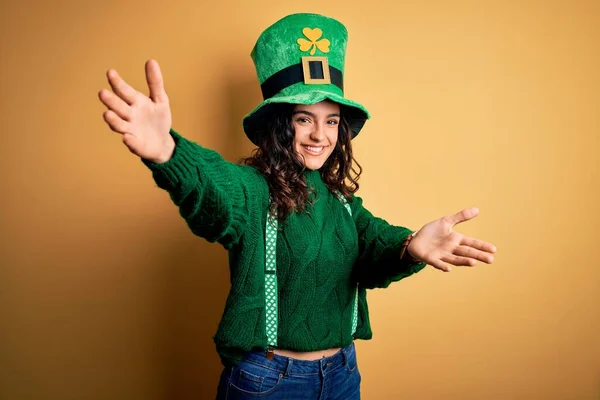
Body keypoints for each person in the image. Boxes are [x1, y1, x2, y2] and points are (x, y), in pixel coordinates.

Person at [98, 13, 496, 400]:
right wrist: (169, 151)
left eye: (332, 120)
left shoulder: (342, 204)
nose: (319, 135)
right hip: (269, 382)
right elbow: (215, 191)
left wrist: (412, 245)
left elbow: (375, 245)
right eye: (304, 119)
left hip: (342, 375)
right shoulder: (254, 191)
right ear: (280, 125)